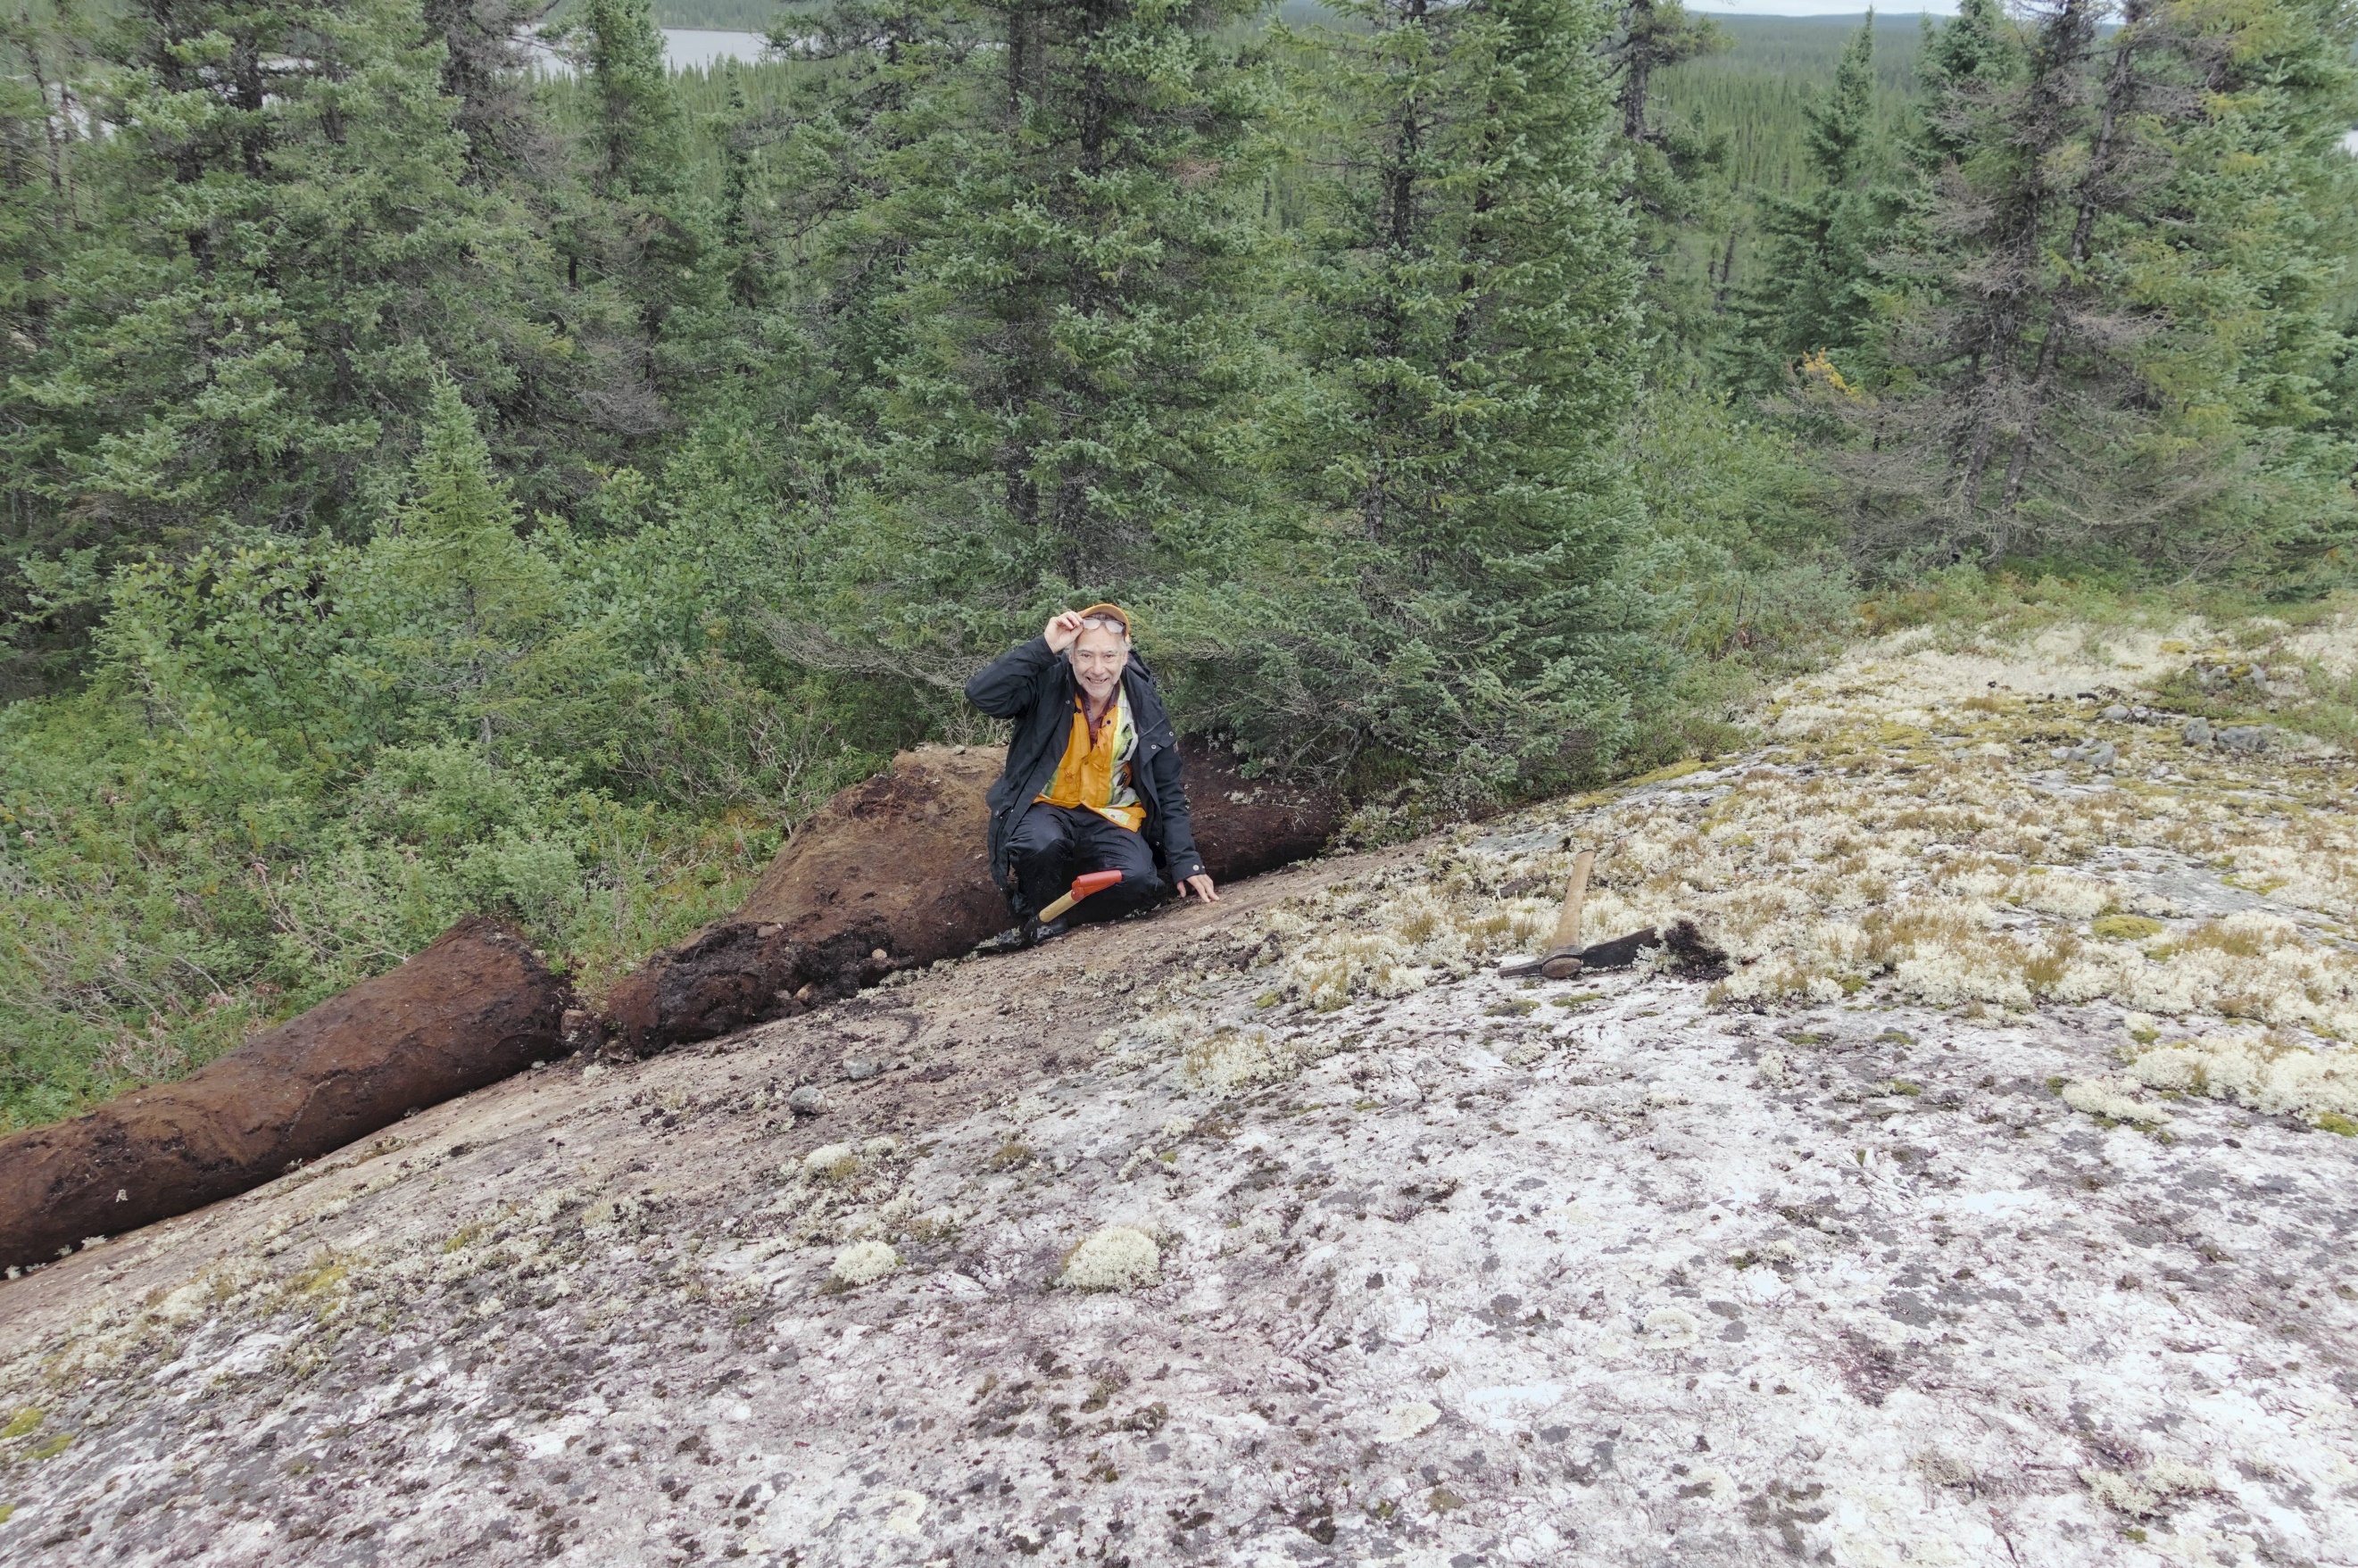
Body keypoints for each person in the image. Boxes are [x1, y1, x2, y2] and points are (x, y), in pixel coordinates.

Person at [965, 604, 1218, 946]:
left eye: (1108, 656)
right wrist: (1044, 645)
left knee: (1140, 884)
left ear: (1124, 657)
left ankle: (1065, 912)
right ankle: (1036, 906)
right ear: (1070, 656)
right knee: (1039, 844)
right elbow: (981, 694)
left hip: (1112, 813)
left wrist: (1187, 862)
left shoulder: (1144, 702)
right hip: (1046, 806)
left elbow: (1167, 788)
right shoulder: (1048, 682)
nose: (1097, 669)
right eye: (1085, 655)